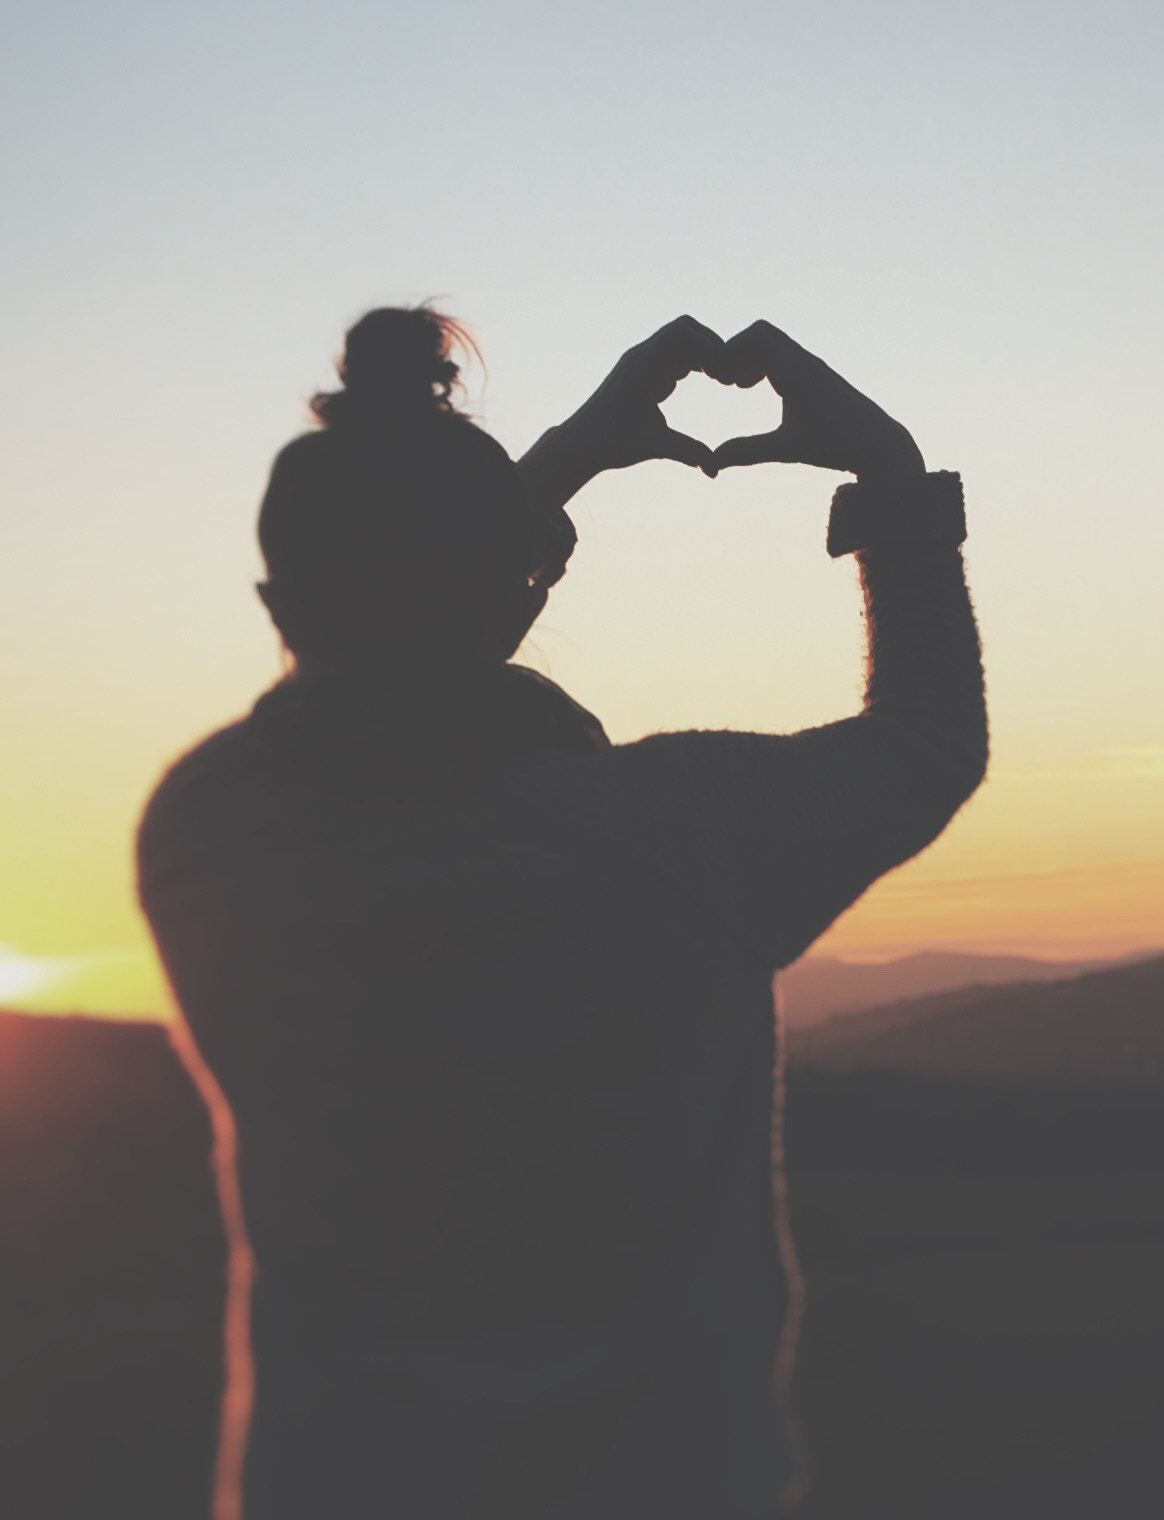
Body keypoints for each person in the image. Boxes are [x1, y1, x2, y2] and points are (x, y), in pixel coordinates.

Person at [137, 306, 986, 1519]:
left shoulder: (209, 834)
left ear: (280, 608)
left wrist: (543, 476)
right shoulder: (681, 840)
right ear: (511, 583)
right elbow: (925, 740)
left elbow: (389, 671)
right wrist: (890, 473)